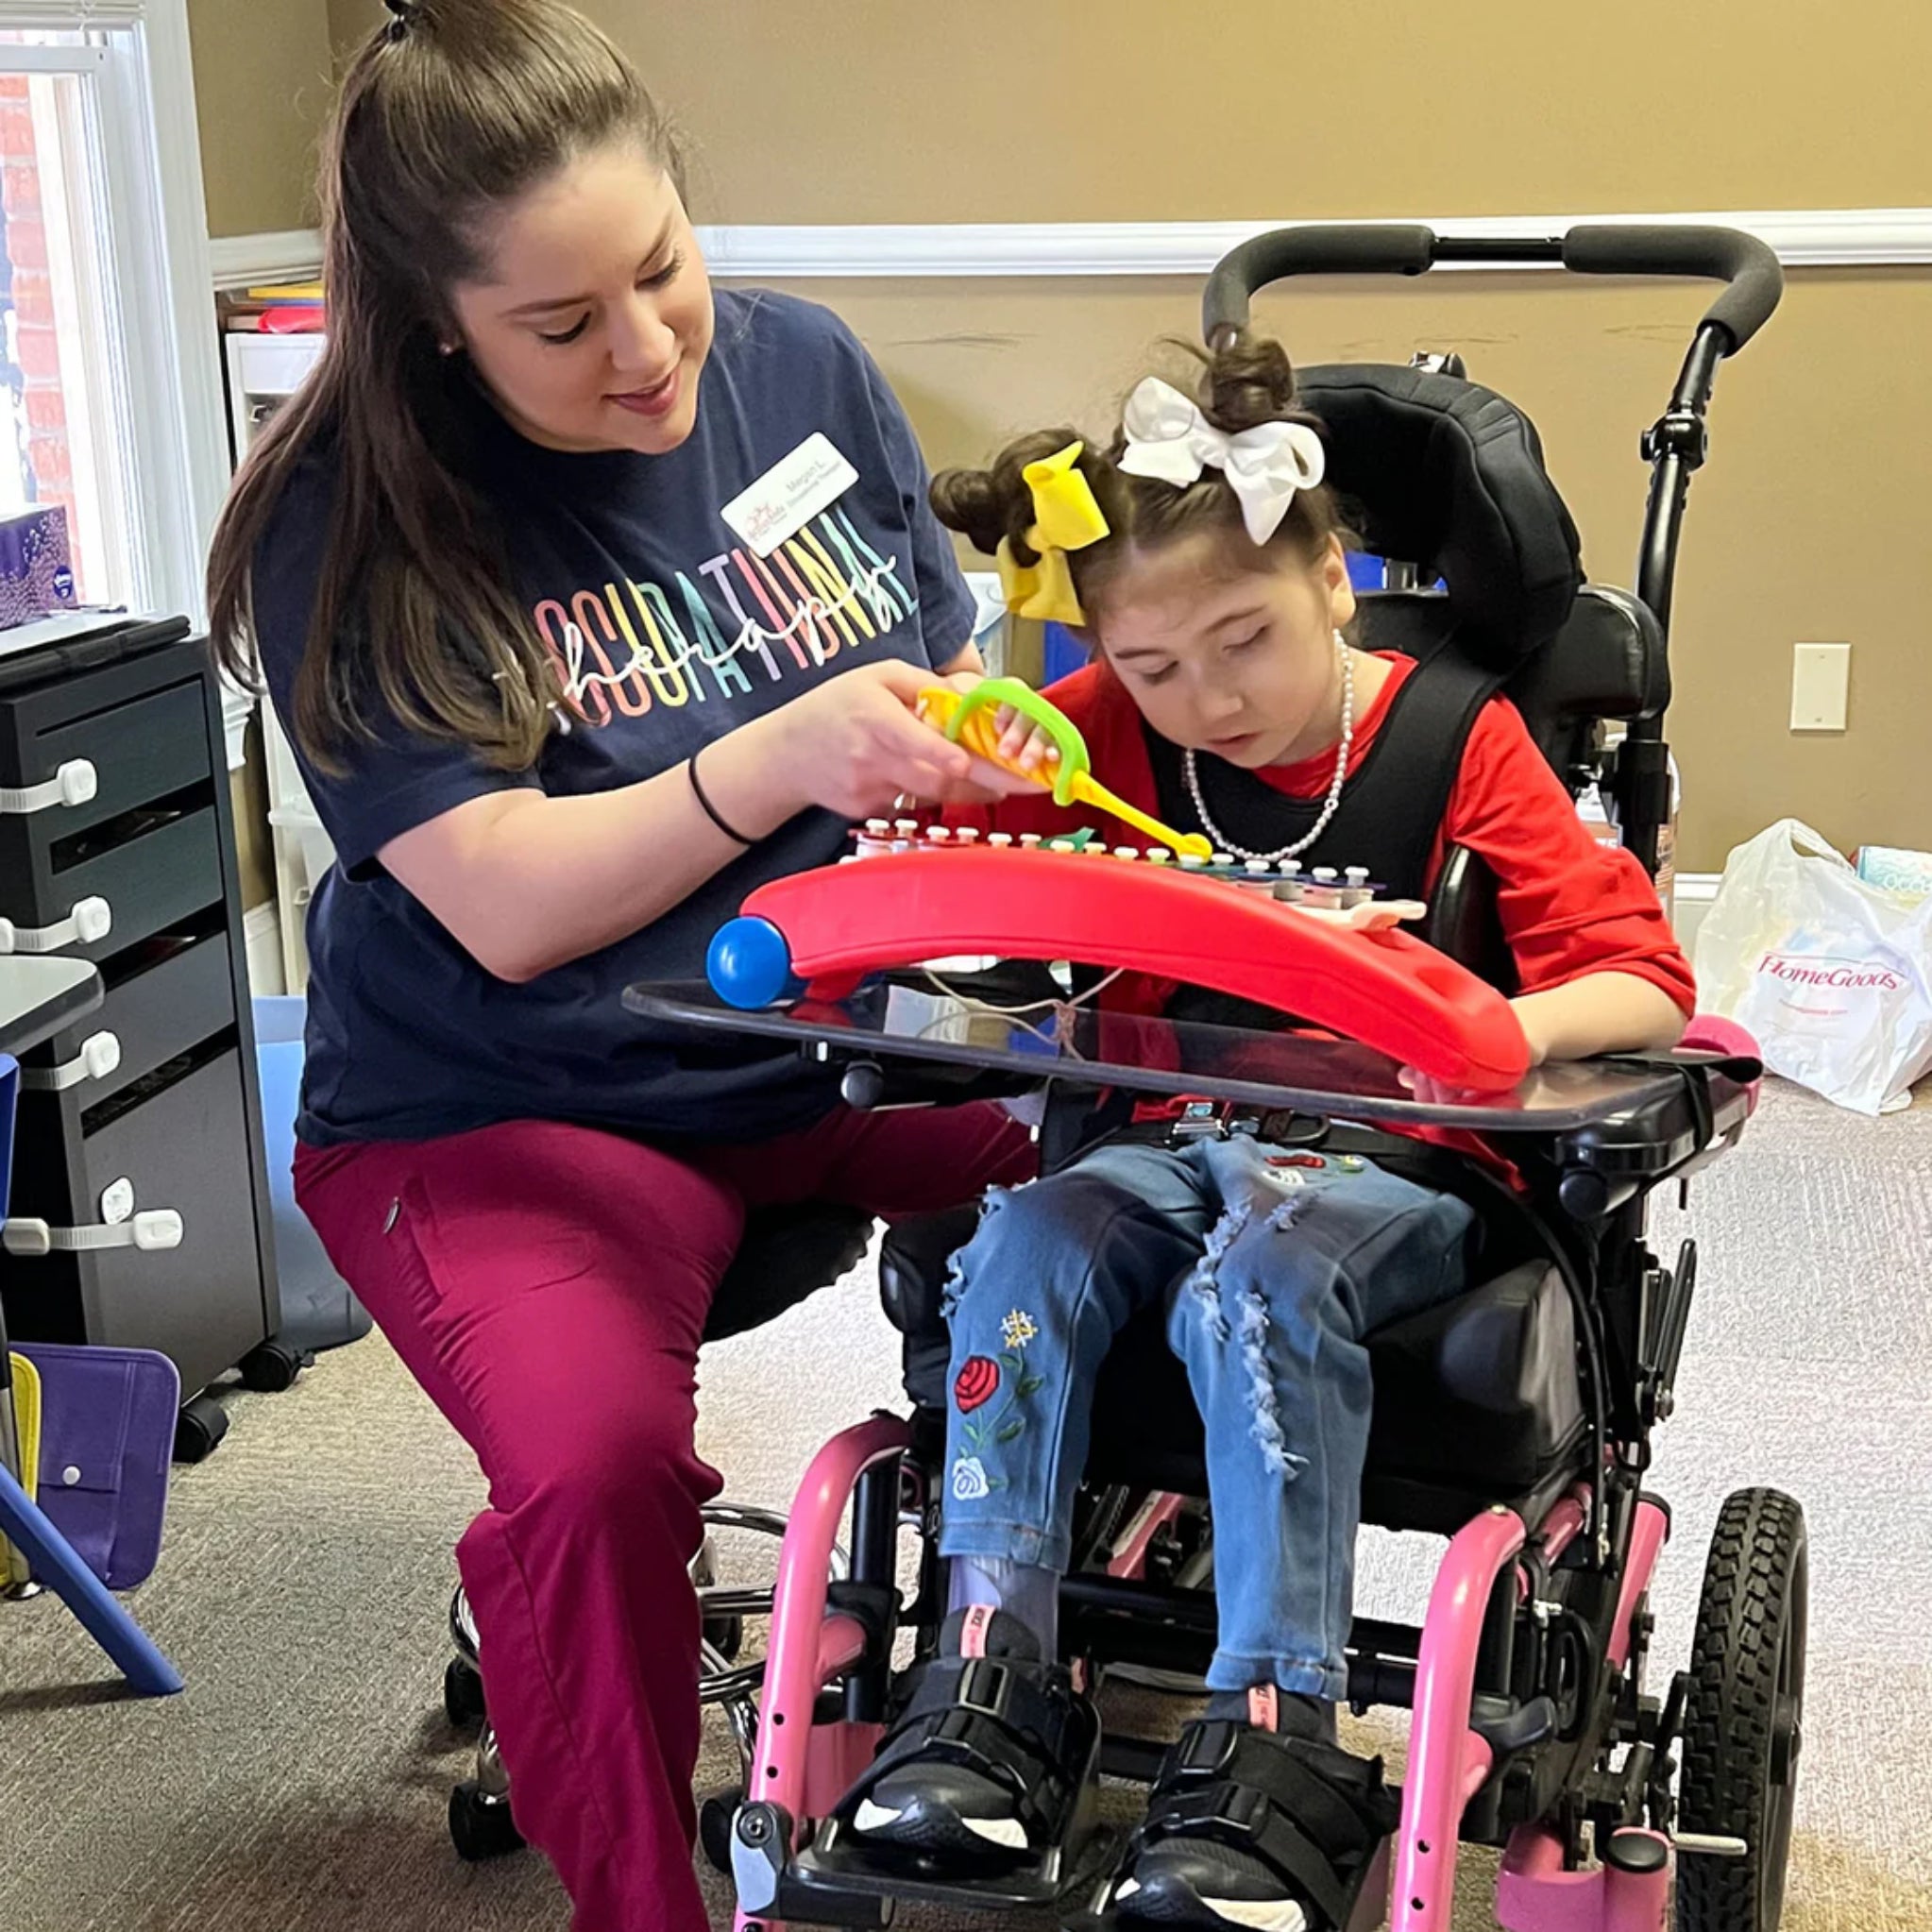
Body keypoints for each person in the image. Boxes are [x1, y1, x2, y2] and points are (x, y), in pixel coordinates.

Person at [204, 4, 1035, 1927]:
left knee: (1182, 1156)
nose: (649, 349)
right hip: (509, 1105)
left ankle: (1054, 1640)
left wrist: (973, 758)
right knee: (592, 1474)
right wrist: (781, 757)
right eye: (561, 325)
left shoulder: (805, 368)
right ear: (437, 327)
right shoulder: (350, 515)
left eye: (662, 267)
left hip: (836, 1043)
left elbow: (934, 674)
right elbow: (505, 902)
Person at [833, 335, 1696, 1932]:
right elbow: (957, 853)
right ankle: (988, 1686)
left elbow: (1642, 978)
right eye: (1153, 665)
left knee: (1261, 1284)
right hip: (1168, 1132)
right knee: (1018, 1242)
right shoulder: (1112, 725)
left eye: (1246, 640)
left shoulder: (1454, 737)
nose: (1207, 697)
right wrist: (968, 757)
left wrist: (1499, 1027)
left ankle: (1276, 1732)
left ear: (1332, 583)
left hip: (1393, 1161)